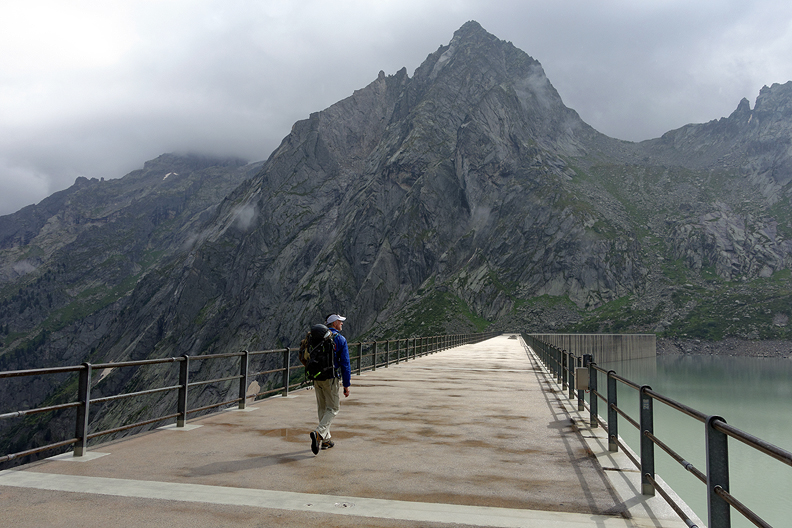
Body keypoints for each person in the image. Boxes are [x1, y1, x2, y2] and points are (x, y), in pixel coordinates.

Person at [309, 313, 351, 455]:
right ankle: (319, 433)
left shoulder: (316, 338)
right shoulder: (339, 339)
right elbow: (345, 363)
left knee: (322, 408)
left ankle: (326, 440)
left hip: (316, 377)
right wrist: (346, 384)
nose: (342, 323)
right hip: (331, 378)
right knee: (333, 408)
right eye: (340, 321)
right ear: (334, 323)